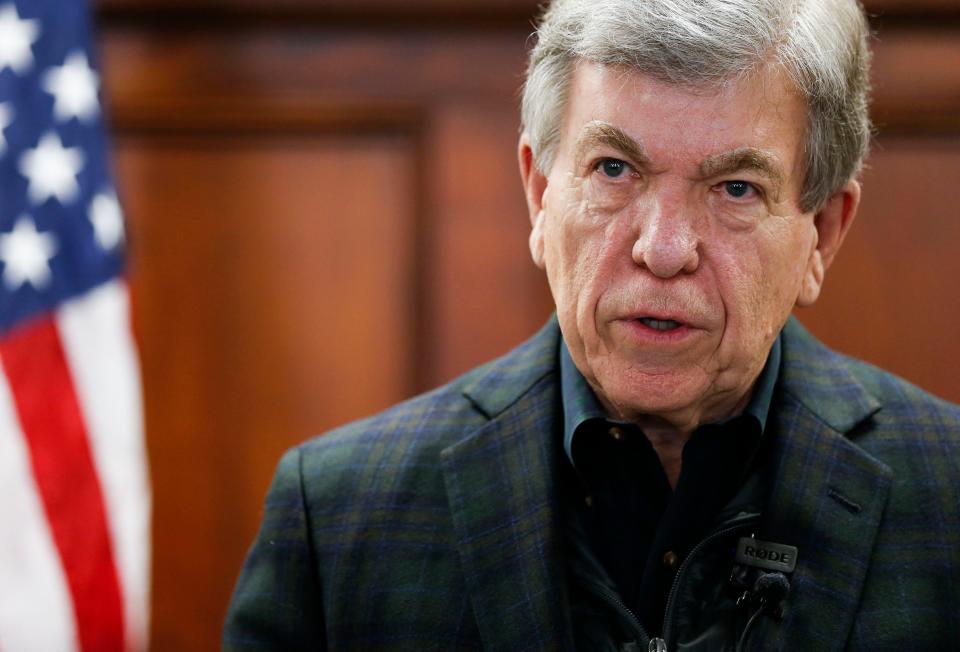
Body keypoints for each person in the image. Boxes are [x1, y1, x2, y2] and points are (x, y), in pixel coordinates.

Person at [223, 0, 960, 649]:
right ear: (540, 196)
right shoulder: (341, 517)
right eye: (614, 170)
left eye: (735, 188)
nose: (663, 249)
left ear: (823, 233)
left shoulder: (948, 497)